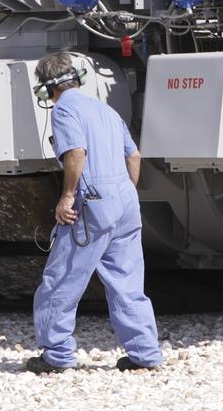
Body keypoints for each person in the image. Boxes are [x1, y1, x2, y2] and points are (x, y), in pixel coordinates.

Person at [26, 52, 163, 374]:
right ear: (78, 80)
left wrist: (68, 196)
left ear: (46, 90)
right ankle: (145, 354)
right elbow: (134, 155)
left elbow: (76, 152)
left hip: (93, 203)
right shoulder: (107, 110)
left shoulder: (64, 110)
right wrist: (125, 193)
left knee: (61, 279)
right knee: (127, 282)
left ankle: (56, 356)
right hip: (126, 204)